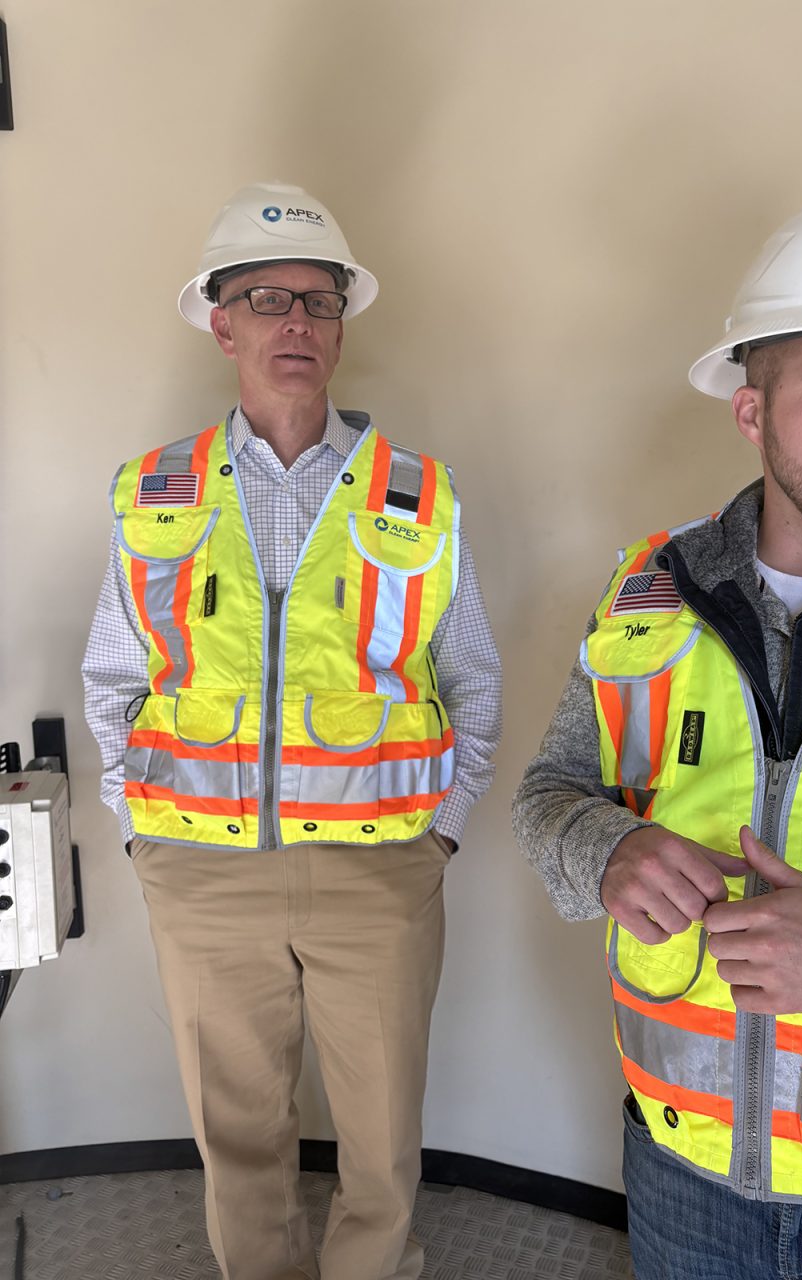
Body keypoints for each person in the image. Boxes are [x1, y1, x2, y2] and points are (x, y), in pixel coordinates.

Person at [513, 187, 802, 1279]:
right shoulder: (645, 589)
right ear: (752, 408)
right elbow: (550, 790)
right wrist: (606, 848)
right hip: (681, 1176)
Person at [83, 181, 501, 1280]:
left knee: (381, 1147)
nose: (297, 323)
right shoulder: (154, 492)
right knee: (238, 1139)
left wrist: (438, 835)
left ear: (341, 326)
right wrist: (144, 834)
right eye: (268, 299)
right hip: (200, 871)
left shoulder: (420, 495)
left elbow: (472, 679)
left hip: (380, 871)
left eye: (320, 302)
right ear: (223, 324)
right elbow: (113, 675)